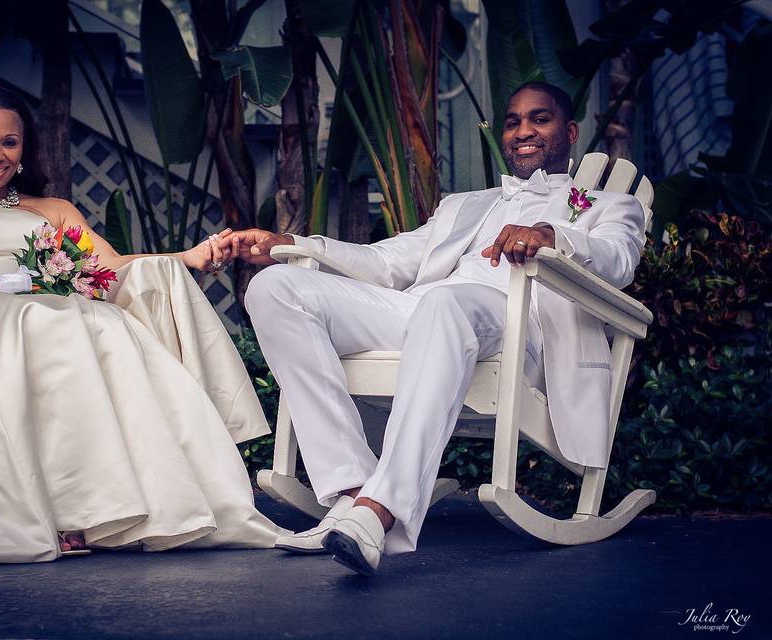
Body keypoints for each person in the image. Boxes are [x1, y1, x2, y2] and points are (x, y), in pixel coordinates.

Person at [222, 82, 647, 575]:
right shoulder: (464, 205)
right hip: (426, 315)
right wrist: (290, 241)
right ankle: (353, 490)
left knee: (446, 303)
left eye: (540, 119)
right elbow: (385, 261)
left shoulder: (610, 206)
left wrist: (552, 235)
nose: (524, 131)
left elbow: (618, 261)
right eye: (513, 121)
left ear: (569, 132)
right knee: (274, 287)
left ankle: (382, 510)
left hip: (523, 334)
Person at [0, 86, 287, 564]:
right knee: (48, 321)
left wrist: (186, 258)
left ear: (24, 149)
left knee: (103, 324)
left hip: (53, 308)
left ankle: (97, 511)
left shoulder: (53, 209)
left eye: (9, 143)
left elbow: (111, 265)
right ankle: (53, 513)